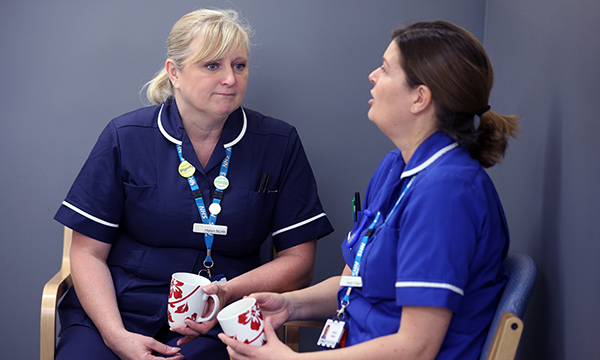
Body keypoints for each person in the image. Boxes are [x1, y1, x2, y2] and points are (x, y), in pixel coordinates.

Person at [219, 20, 519, 360]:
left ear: (420, 97)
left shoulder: (447, 194)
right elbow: (353, 285)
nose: (372, 76)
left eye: (386, 69)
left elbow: (416, 348)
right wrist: (289, 304)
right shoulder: (396, 167)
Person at [53, 8, 333, 360]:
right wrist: (114, 336)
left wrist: (226, 293)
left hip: (220, 319)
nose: (230, 79)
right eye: (212, 65)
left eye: (239, 65)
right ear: (175, 73)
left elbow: (299, 261)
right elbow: (87, 252)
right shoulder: (126, 137)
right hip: (117, 309)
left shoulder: (278, 142)